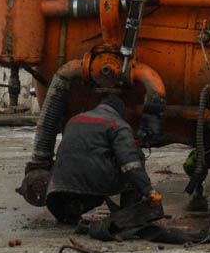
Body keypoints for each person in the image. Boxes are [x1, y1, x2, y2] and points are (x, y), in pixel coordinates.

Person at [45, 94, 153, 226]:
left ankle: (73, 208)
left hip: (56, 188)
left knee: (87, 176)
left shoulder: (74, 119)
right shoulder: (118, 125)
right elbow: (130, 163)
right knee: (136, 157)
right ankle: (129, 212)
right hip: (94, 184)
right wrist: (148, 190)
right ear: (120, 111)